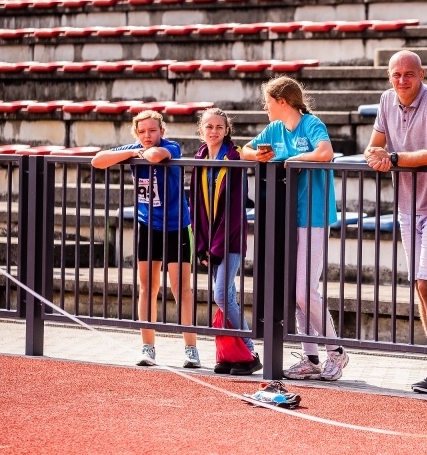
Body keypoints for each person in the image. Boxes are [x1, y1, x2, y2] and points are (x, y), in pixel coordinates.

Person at [365, 50, 427, 394]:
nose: (402, 80)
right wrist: (373, 156)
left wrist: (391, 158)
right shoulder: (386, 100)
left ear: (421, 74)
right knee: (421, 286)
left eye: (409, 74)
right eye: (396, 75)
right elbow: (374, 145)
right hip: (407, 205)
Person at [241, 76, 347, 381]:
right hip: (287, 216)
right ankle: (311, 357)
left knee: (303, 291)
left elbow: (324, 153)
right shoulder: (275, 129)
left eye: (268, 101)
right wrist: (257, 155)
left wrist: (289, 158)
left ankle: (336, 352)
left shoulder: (312, 124)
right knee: (294, 291)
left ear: (282, 102)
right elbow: (245, 150)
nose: (265, 107)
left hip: (313, 215)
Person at [91, 110, 200, 368]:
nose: (148, 136)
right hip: (147, 227)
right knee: (147, 288)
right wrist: (132, 151)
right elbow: (98, 160)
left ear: (162, 131)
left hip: (177, 227)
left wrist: (136, 152)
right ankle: (148, 347)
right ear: (136, 133)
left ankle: (191, 349)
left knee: (181, 289)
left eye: (152, 131)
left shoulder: (170, 146)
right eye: (142, 132)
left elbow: (154, 156)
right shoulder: (135, 147)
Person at [191, 108, 262, 376]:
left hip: (228, 241)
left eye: (219, 127)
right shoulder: (199, 157)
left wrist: (216, 248)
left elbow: (233, 210)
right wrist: (201, 247)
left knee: (221, 294)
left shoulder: (233, 158)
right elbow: (195, 205)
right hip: (209, 243)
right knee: (226, 296)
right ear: (201, 130)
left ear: (226, 130)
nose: (214, 131)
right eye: (208, 126)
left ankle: (250, 349)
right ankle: (232, 356)